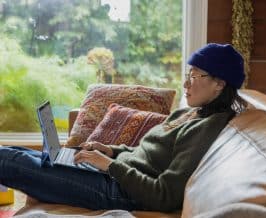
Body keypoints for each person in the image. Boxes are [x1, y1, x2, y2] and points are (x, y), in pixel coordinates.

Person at [0, 43, 247, 212]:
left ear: (219, 84)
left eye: (195, 76)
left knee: (7, 161)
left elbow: (164, 195)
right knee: (20, 154)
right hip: (113, 175)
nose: (185, 83)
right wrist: (111, 150)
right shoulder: (190, 112)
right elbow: (148, 155)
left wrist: (110, 166)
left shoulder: (208, 129)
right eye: (188, 74)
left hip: (119, 191)